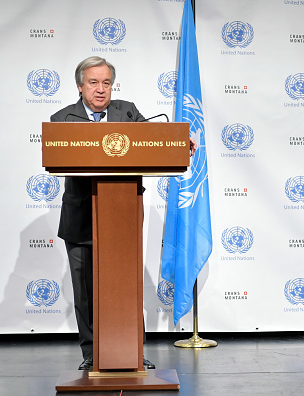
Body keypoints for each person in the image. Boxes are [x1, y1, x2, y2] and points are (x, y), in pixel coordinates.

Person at [50, 56, 196, 370]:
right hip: (81, 218)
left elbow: (154, 140)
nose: (101, 90)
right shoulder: (62, 118)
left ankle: (131, 350)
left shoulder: (126, 111)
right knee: (85, 291)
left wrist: (179, 142)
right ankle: (92, 353)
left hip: (124, 214)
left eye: (106, 82)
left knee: (127, 284)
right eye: (93, 82)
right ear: (80, 86)